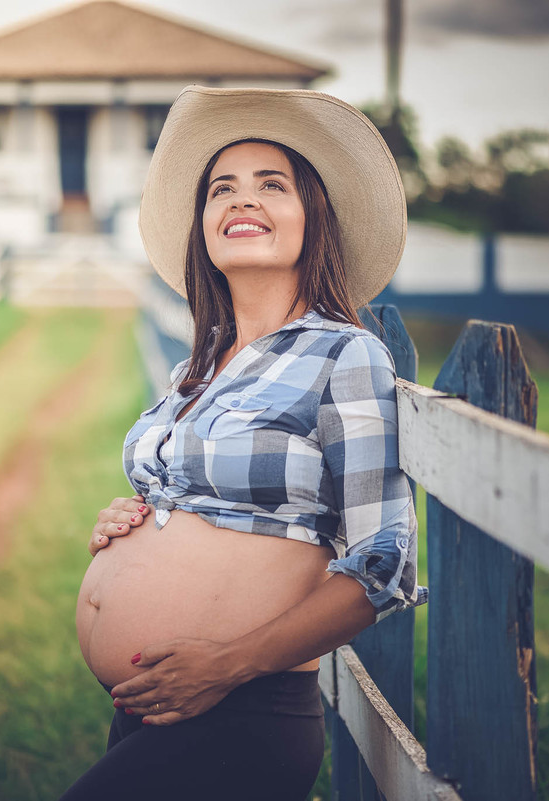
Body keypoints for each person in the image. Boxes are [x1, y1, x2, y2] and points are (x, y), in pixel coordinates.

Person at [63, 86, 429, 801]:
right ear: (203, 222)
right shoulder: (197, 367)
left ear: (311, 215)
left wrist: (227, 665)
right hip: (150, 705)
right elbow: (194, 507)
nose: (241, 200)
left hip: (241, 712)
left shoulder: (344, 356)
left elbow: (385, 563)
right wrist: (132, 522)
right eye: (221, 189)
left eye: (271, 185)